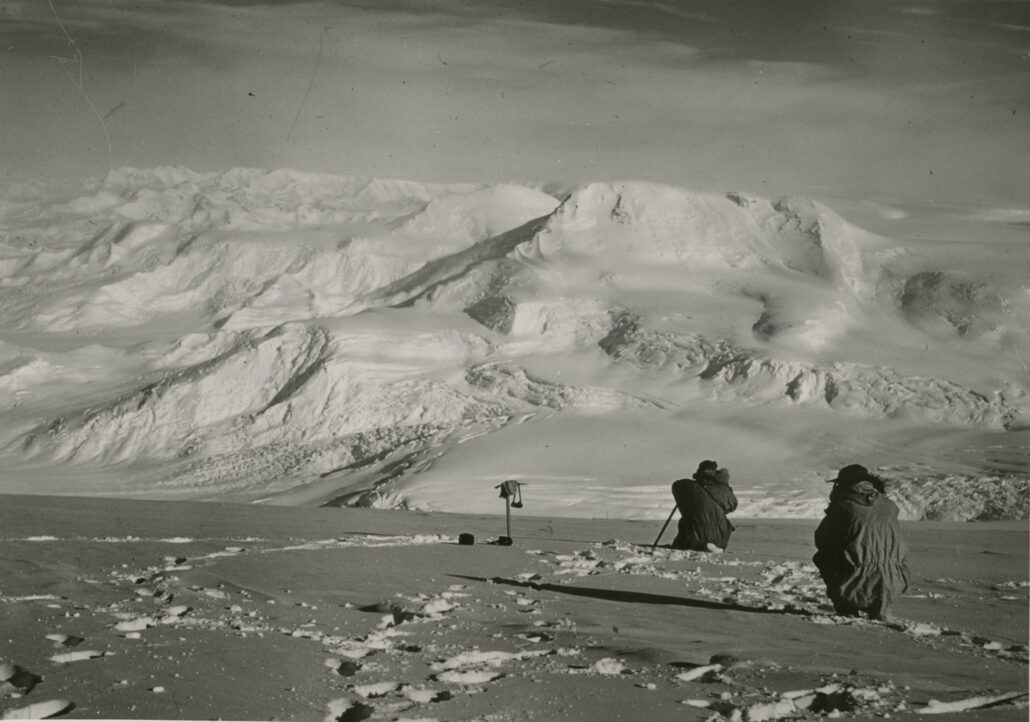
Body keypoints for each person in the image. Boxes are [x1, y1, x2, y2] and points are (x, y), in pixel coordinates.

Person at [813, 464, 910, 620]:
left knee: (822, 557)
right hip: (893, 581)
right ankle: (879, 606)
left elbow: (822, 539)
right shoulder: (889, 505)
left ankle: (847, 606)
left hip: (853, 581)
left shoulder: (843, 505)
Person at [670, 460, 738, 551]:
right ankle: (711, 546)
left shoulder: (689, 487)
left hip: (691, 538)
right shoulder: (723, 490)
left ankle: (698, 544)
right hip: (719, 540)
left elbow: (676, 486)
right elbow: (732, 506)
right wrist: (724, 483)